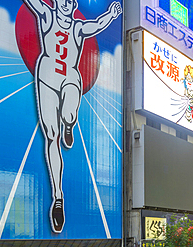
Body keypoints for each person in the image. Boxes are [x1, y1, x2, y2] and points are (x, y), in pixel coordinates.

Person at [22, 0, 122, 233]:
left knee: (68, 111)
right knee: (51, 136)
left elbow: (96, 25)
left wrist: (112, 14)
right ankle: (58, 197)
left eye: (70, 1)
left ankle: (70, 122)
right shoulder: (47, 16)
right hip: (46, 76)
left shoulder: (77, 27)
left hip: (69, 77)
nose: (67, 3)